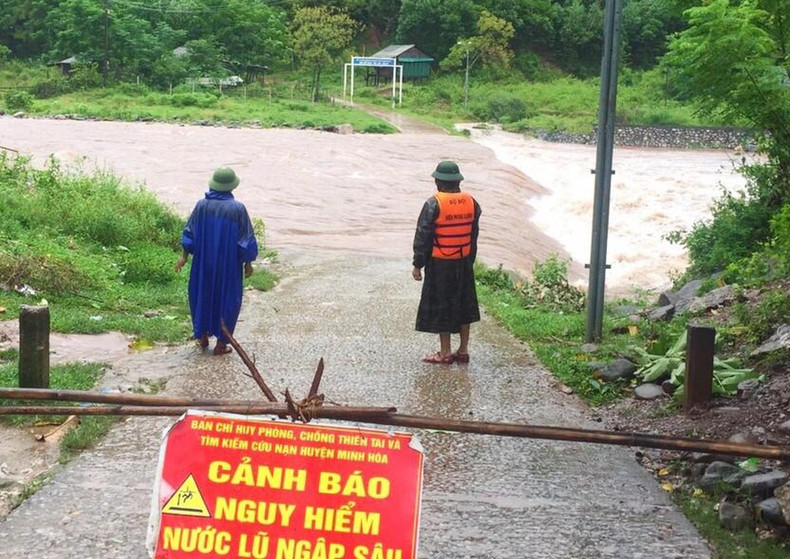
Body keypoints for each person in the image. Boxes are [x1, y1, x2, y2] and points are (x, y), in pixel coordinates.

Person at [175, 166, 258, 355]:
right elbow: (245, 238)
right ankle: (221, 344)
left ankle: (202, 335)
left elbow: (190, 234)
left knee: (201, 294)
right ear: (231, 186)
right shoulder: (237, 209)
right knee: (228, 299)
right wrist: (248, 262)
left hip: (203, 263)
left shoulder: (201, 206)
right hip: (229, 265)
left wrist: (184, 257)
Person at [412, 160, 481, 364]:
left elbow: (423, 236)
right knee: (464, 305)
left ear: (438, 182)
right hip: (463, 262)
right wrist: (469, 261)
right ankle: (463, 350)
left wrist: (418, 264)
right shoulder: (472, 202)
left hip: (441, 263)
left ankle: (445, 352)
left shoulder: (433, 203)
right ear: (457, 182)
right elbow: (473, 235)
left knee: (443, 305)